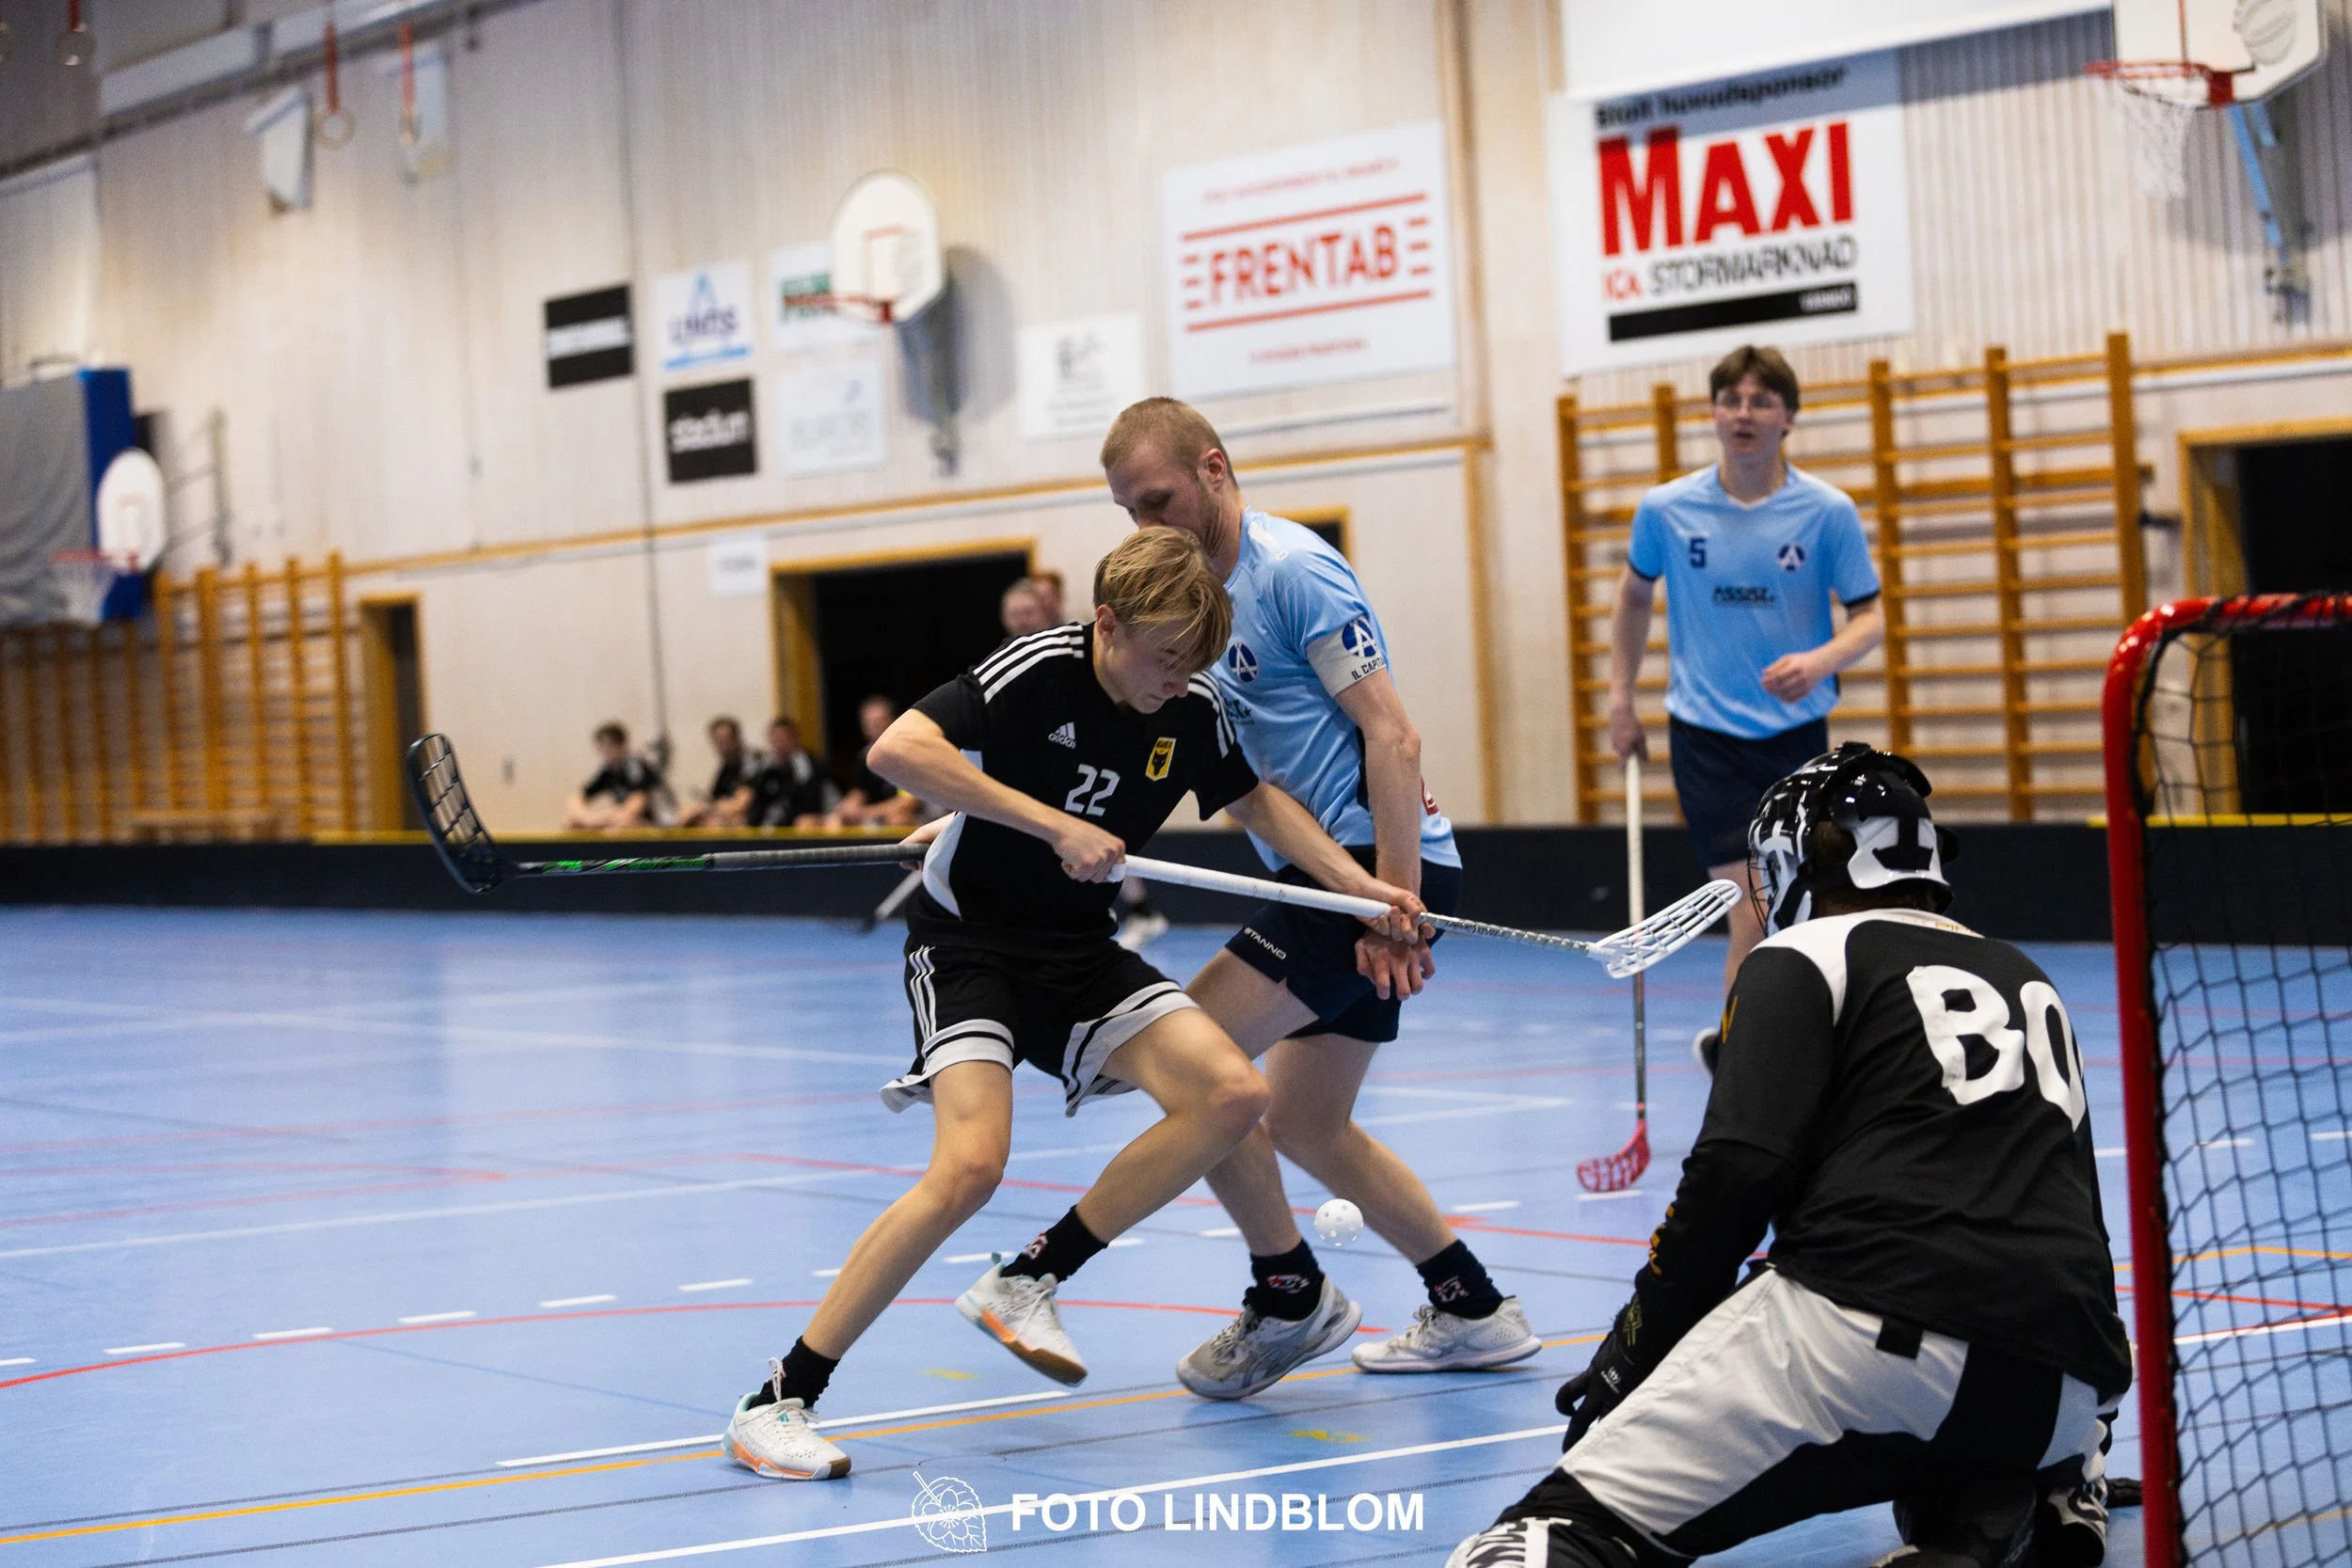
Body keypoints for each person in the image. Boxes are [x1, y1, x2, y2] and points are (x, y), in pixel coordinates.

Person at [720, 528, 1421, 1481]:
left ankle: (1031, 1273)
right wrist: (1050, 824)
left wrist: (1361, 885)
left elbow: (1255, 802)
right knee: (969, 1166)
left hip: (1080, 954)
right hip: (970, 947)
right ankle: (780, 1397)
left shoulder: (1191, 704)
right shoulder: (1039, 668)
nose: (1180, 680)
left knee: (1229, 1093)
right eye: (1166, 657)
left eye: (1195, 663)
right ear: (1107, 624)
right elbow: (899, 747)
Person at [1443, 743, 2131, 1568]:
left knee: (1542, 1535)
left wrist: (1631, 1351)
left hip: (1874, 1341)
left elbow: (1734, 1177)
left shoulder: (1800, 957)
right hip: (2066, 1387)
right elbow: (2080, 1217)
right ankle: (2015, 1499)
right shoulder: (2025, 972)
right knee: (1939, 1421)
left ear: (1796, 861)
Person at [1102, 397, 1535, 1400]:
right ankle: (1473, 1307)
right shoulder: (1190, 598)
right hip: (1330, 874)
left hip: (1360, 870)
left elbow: (1395, 737)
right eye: (1129, 510)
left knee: (1197, 1073)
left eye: (1159, 498)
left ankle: (1288, 1295)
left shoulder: (1293, 572)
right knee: (1304, 1123)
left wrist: (1394, 900)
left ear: (1213, 469)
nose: (1146, 524)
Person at [1606, 345, 1884, 1073]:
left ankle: (1768, 1048)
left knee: (1810, 910)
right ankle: (1744, 1068)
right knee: (1754, 910)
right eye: (1730, 399)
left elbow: (1869, 617)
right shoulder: (1667, 509)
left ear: (1788, 417)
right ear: (1712, 414)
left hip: (1798, 737)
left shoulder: (1826, 513)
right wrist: (1619, 701)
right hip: (1707, 737)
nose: (1744, 414)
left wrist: (1820, 661)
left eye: (1762, 401)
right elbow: (1634, 598)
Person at [825, 695, 925, 829]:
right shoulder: (865, 755)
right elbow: (858, 793)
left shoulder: (908, 752)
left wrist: (867, 813)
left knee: (898, 819)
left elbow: (909, 802)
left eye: (879, 721)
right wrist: (845, 811)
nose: (874, 727)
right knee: (834, 821)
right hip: (877, 815)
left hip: (922, 814)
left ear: (893, 721)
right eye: (869, 723)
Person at [561, 721, 661, 832]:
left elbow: (636, 805)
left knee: (623, 825)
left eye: (610, 746)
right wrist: (588, 818)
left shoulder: (635, 766)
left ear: (622, 745)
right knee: (571, 822)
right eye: (602, 747)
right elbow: (576, 798)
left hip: (657, 823)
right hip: (621, 818)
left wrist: (605, 819)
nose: (606, 752)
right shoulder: (607, 772)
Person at [746, 717, 834, 828]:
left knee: (805, 823)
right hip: (767, 819)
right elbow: (750, 794)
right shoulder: (763, 766)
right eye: (775, 739)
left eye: (783, 739)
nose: (779, 745)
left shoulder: (810, 765)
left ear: (795, 739)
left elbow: (812, 802)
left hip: (799, 818)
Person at [675, 717, 761, 828]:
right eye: (717, 741)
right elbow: (715, 799)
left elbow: (740, 805)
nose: (721, 745)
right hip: (732, 817)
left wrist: (703, 809)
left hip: (759, 820)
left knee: (716, 823)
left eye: (725, 740)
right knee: (687, 816)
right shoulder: (726, 766)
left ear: (737, 739)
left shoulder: (752, 761)